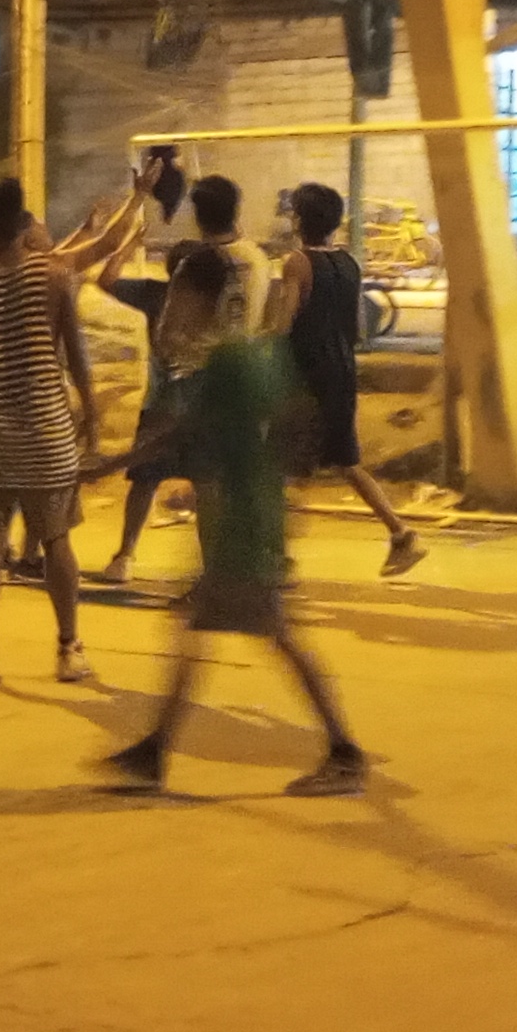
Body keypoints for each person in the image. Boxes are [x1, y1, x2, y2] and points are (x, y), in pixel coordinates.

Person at [95, 251, 369, 799]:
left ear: (196, 296)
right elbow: (298, 420)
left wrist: (106, 465)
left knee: (271, 637)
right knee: (210, 633)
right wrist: (287, 494)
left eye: (179, 291)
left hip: (241, 520)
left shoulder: (226, 362)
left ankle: (344, 752)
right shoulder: (259, 354)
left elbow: (179, 433)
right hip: (253, 511)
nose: (173, 303)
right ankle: (153, 752)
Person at [0, 178, 97, 685]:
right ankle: (68, 649)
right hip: (47, 431)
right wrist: (91, 413)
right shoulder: (54, 276)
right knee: (56, 540)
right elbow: (76, 353)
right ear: (25, 221)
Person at [95, 173, 269, 583]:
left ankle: (125, 557)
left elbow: (169, 331)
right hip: (236, 383)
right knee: (210, 482)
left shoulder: (198, 264)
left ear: (197, 213)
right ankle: (215, 574)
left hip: (186, 384)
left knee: (147, 471)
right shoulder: (257, 259)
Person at [266, 182, 426, 577]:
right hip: (341, 371)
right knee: (344, 461)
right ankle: (401, 534)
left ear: (299, 220)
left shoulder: (297, 263)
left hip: (306, 376)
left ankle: (276, 558)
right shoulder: (350, 263)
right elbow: (358, 327)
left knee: (278, 467)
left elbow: (283, 324)